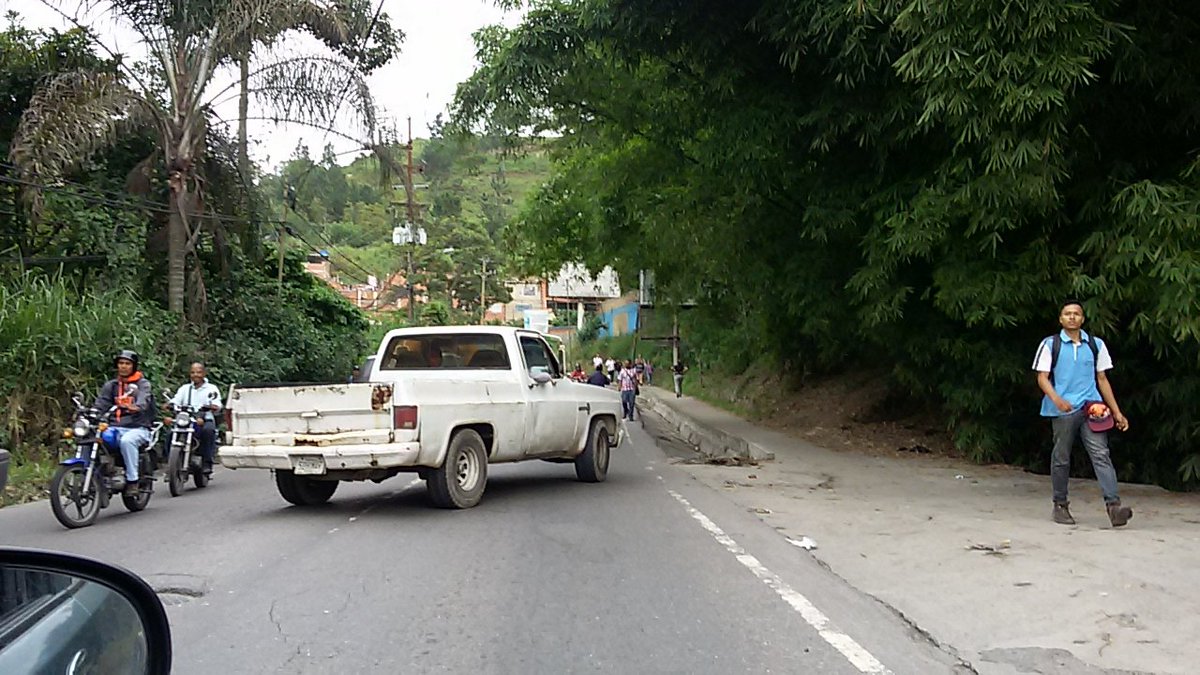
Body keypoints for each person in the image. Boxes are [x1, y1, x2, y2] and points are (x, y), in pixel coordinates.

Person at [1032, 300, 1133, 527]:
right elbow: (1042, 377)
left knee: (1101, 454)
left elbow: (1102, 379)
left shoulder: (1095, 345)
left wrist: (1116, 412)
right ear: (1060, 319)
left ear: (1083, 319)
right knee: (1061, 457)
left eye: (1076, 313)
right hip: (1063, 410)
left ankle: (1114, 507)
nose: (1072, 317)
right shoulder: (1050, 344)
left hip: (1092, 409)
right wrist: (1058, 400)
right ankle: (1060, 505)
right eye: (1067, 314)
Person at [94, 350, 154, 495]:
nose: (124, 366)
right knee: (93, 436)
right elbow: (101, 404)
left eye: (127, 363)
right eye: (121, 363)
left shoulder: (142, 384)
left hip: (138, 427)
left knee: (127, 441)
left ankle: (133, 481)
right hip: (114, 426)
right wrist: (91, 413)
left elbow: (143, 400)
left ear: (134, 366)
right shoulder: (111, 385)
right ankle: (95, 474)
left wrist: (136, 406)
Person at [169, 362, 223, 474]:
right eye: (193, 372)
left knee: (208, 431)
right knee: (170, 433)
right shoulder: (185, 388)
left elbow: (217, 404)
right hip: (186, 420)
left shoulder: (211, 388)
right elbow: (176, 400)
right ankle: (171, 463)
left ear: (204, 373)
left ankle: (207, 462)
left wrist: (211, 406)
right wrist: (170, 404)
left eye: (198, 372)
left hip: (205, 418)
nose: (195, 375)